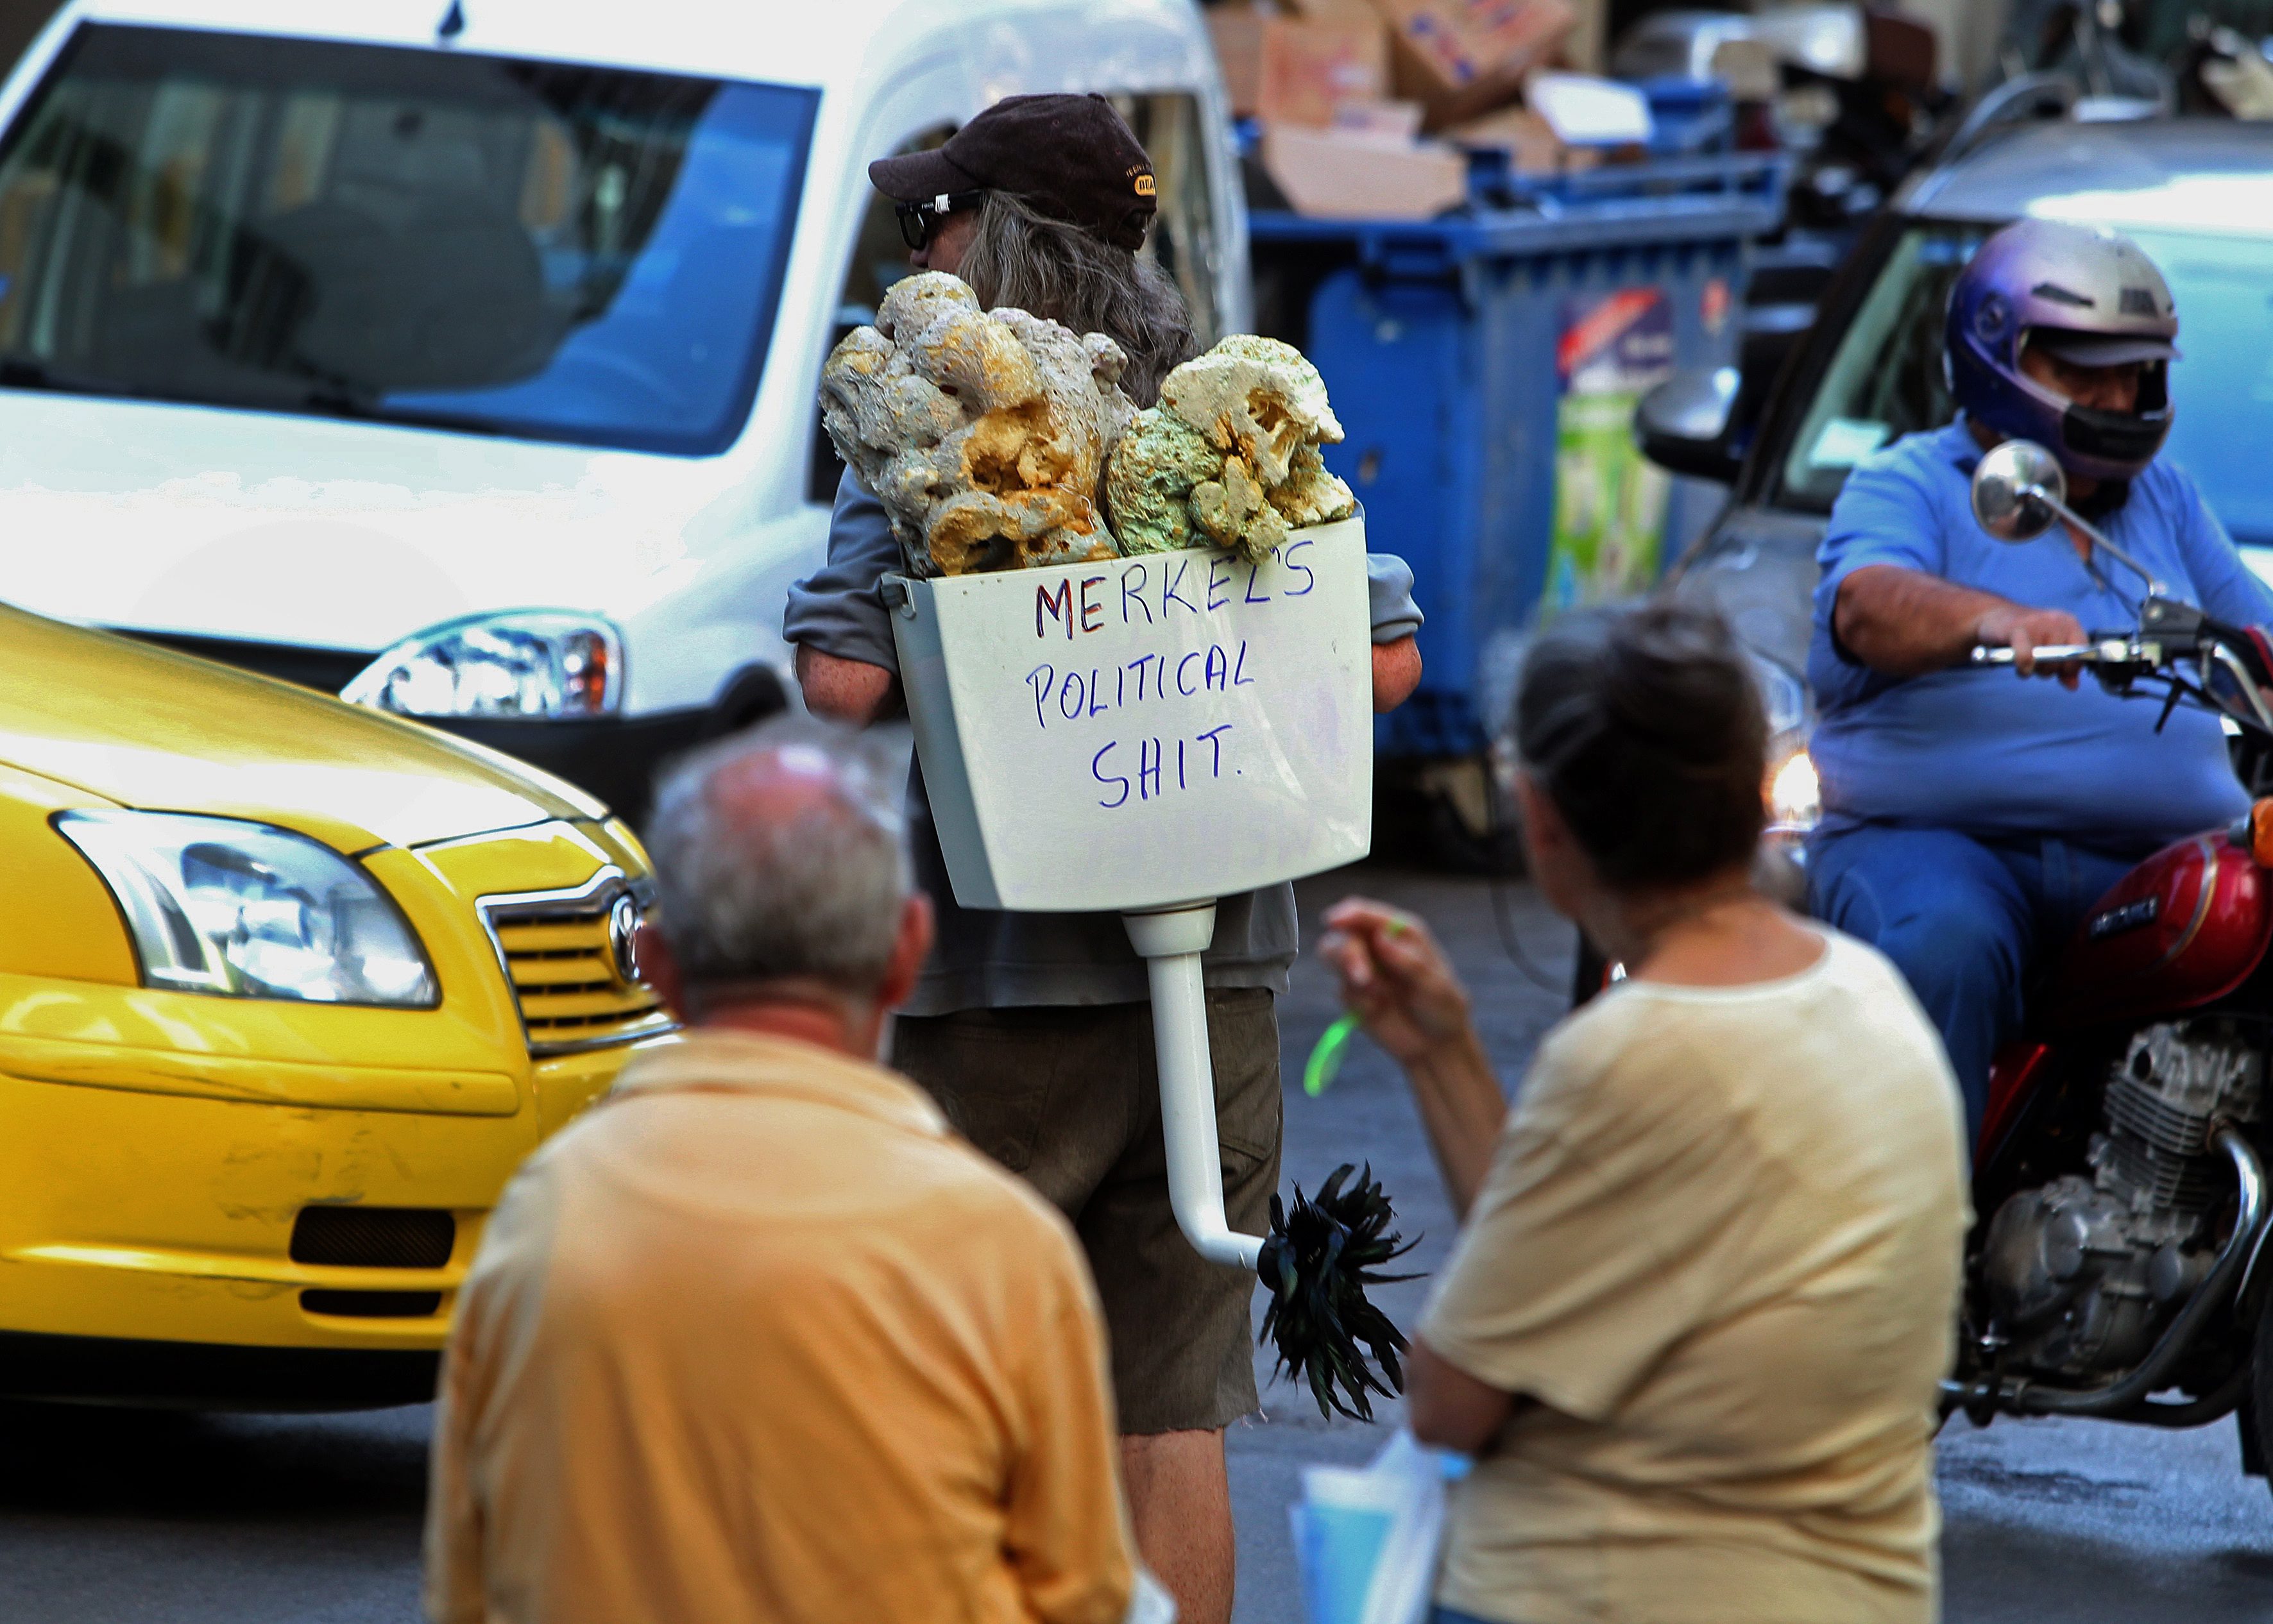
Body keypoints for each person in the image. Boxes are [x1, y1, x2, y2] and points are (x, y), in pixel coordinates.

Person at [783, 92, 1424, 1624]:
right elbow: (1386, 660)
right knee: (1169, 1398)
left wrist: (947, 586)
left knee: (955, 1383)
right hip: (1217, 979)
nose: (914, 247)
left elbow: (842, 692)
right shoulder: (1228, 423)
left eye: (930, 219)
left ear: (997, 241)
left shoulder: (955, 442)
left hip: (1000, 996)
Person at [422, 717, 1159, 1624]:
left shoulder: (540, 1221)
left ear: (655, 966)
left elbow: (467, 1585)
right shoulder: (999, 1249)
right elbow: (1083, 1597)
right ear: (906, 951)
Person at [1320, 602, 1968, 1624]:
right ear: (1756, 794)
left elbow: (1451, 1401)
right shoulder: (1866, 992)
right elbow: (1564, 1265)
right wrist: (1443, 1054)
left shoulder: (1635, 1053)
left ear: (1539, 818)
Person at [1806, 217, 2273, 1137]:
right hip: (1944, 845)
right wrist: (1991, 616)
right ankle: (1916, 1259)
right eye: (2083, 368)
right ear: (1997, 356)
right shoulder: (1911, 482)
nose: (2119, 393)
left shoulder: (2162, 499)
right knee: (1948, 945)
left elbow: (2253, 625)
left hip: (2147, 855)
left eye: (2136, 370)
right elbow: (1866, 604)